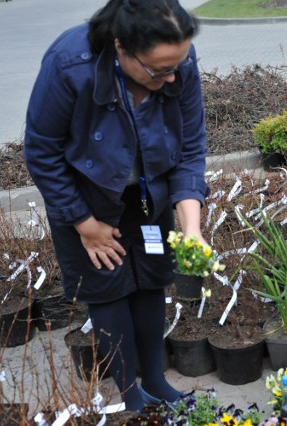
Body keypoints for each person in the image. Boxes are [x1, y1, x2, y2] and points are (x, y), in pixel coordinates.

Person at [24, 0, 209, 410]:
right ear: (121, 46)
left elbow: (192, 147)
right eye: (160, 70)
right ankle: (129, 394)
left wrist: (191, 228)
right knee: (107, 288)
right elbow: (42, 153)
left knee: (151, 279)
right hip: (86, 199)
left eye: (177, 64)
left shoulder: (178, 59)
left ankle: (156, 380)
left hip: (148, 197)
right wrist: (83, 223)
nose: (173, 76)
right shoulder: (69, 64)